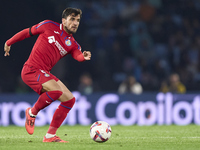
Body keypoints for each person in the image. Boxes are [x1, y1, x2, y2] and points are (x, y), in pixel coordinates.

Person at [4, 8, 91, 143]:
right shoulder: (48, 25)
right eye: (72, 19)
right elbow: (27, 32)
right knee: (56, 91)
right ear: (64, 20)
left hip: (44, 72)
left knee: (69, 100)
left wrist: (83, 56)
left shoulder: (72, 44)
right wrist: (9, 42)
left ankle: (50, 136)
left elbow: (77, 56)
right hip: (31, 70)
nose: (75, 23)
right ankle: (32, 113)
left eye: (78, 20)